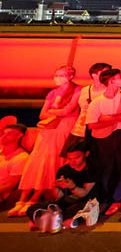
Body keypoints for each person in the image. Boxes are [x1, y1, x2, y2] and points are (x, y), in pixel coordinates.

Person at [12, 65, 81, 217]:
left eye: (61, 75)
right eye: (56, 75)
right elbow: (42, 114)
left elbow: (68, 110)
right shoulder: (52, 93)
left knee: (52, 161)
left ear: (70, 76)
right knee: (37, 160)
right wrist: (55, 113)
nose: (57, 78)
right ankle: (23, 198)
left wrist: (54, 112)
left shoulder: (77, 90)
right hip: (49, 128)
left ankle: (35, 197)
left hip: (65, 127)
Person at [86, 67, 121, 216]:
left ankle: (119, 198)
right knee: (106, 166)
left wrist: (110, 118)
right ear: (110, 81)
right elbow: (92, 125)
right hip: (105, 138)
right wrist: (120, 118)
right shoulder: (97, 103)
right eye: (119, 77)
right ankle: (105, 198)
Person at [25, 141, 98, 231]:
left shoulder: (92, 169)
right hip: (68, 202)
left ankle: (53, 220)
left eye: (77, 158)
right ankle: (54, 219)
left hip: (87, 201)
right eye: (70, 159)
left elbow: (84, 194)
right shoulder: (64, 170)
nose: (72, 162)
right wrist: (56, 187)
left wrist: (72, 187)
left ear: (86, 154)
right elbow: (59, 196)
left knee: (88, 208)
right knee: (32, 209)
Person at [61, 62, 109, 156]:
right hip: (80, 130)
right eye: (104, 73)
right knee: (74, 158)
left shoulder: (110, 91)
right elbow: (72, 107)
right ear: (94, 75)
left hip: (100, 131)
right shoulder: (85, 90)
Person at [0, 123, 29, 208]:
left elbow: (10, 184)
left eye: (9, 134)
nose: (4, 136)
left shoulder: (21, 157)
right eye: (3, 133)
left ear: (19, 136)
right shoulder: (1, 152)